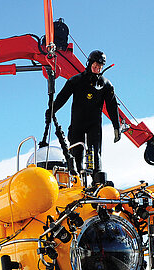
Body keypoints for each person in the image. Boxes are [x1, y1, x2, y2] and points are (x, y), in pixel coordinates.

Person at [48, 49, 122, 183]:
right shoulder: (76, 81)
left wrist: (117, 127)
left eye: (100, 67)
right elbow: (62, 97)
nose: (97, 68)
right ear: (89, 63)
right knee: (77, 152)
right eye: (95, 65)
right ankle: (77, 180)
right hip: (78, 123)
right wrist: (51, 110)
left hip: (94, 124)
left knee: (95, 153)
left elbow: (112, 107)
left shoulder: (105, 85)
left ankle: (97, 182)